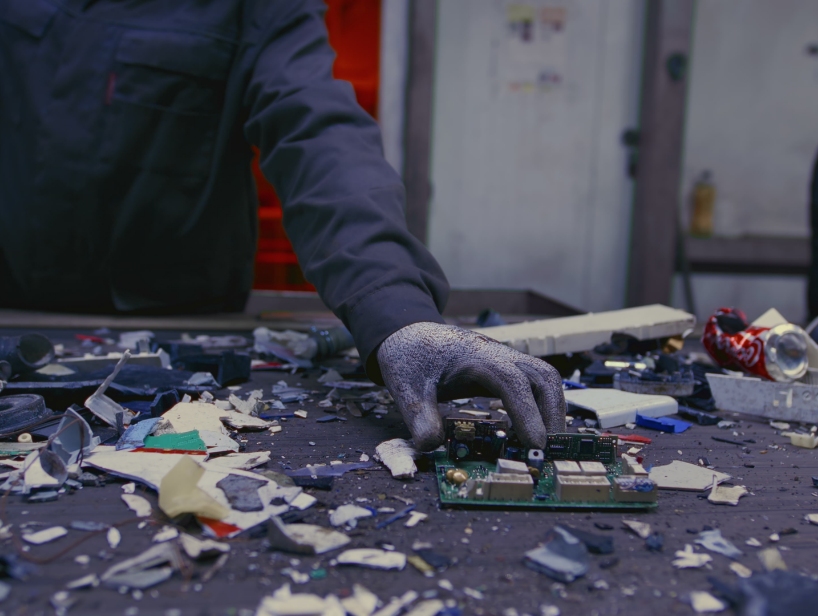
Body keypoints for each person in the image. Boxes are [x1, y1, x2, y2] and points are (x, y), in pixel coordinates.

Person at [0, 0, 565, 450]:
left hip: (185, 321)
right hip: (16, 313)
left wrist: (397, 315)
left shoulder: (257, 7)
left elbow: (318, 135)